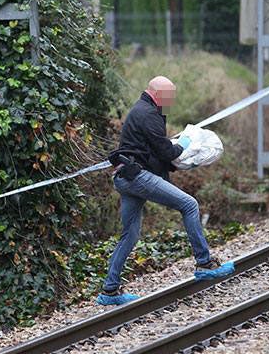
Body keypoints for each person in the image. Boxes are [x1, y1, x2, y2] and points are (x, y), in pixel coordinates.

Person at [100, 76, 234, 306]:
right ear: (158, 94)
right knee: (189, 205)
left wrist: (170, 159)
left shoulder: (141, 110)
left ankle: (109, 291)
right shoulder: (149, 114)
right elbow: (165, 151)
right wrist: (185, 146)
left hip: (126, 176)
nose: (171, 101)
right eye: (169, 96)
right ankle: (204, 263)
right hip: (137, 177)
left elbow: (151, 152)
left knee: (130, 234)